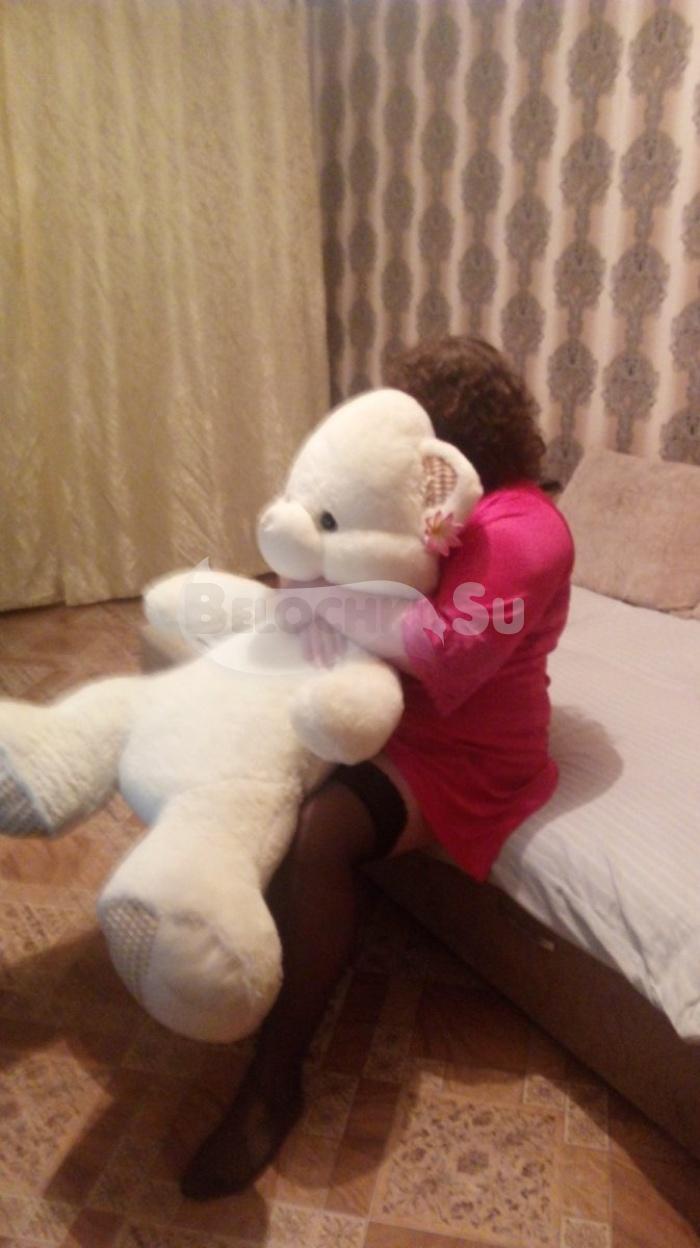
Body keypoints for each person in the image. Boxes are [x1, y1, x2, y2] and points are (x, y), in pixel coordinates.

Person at [180, 334, 575, 1200]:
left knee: (322, 833)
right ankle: (218, 941)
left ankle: (275, 1078)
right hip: (391, 704)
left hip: (467, 752)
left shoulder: (526, 529)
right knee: (244, 756)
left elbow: (442, 650)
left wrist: (321, 597)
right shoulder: (441, 508)